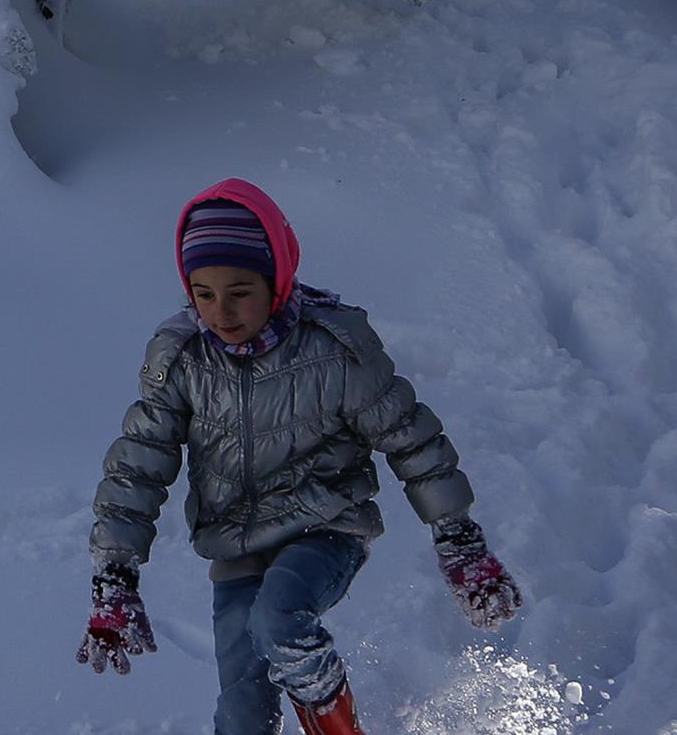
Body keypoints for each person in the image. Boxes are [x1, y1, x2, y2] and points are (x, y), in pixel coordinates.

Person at [75, 177, 521, 733]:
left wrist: (458, 535)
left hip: (325, 527)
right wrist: (114, 572)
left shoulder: (334, 350)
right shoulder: (183, 358)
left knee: (280, 622)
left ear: (277, 279)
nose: (222, 311)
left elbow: (410, 437)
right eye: (204, 294)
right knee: (241, 712)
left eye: (240, 291)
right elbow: (139, 461)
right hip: (235, 545)